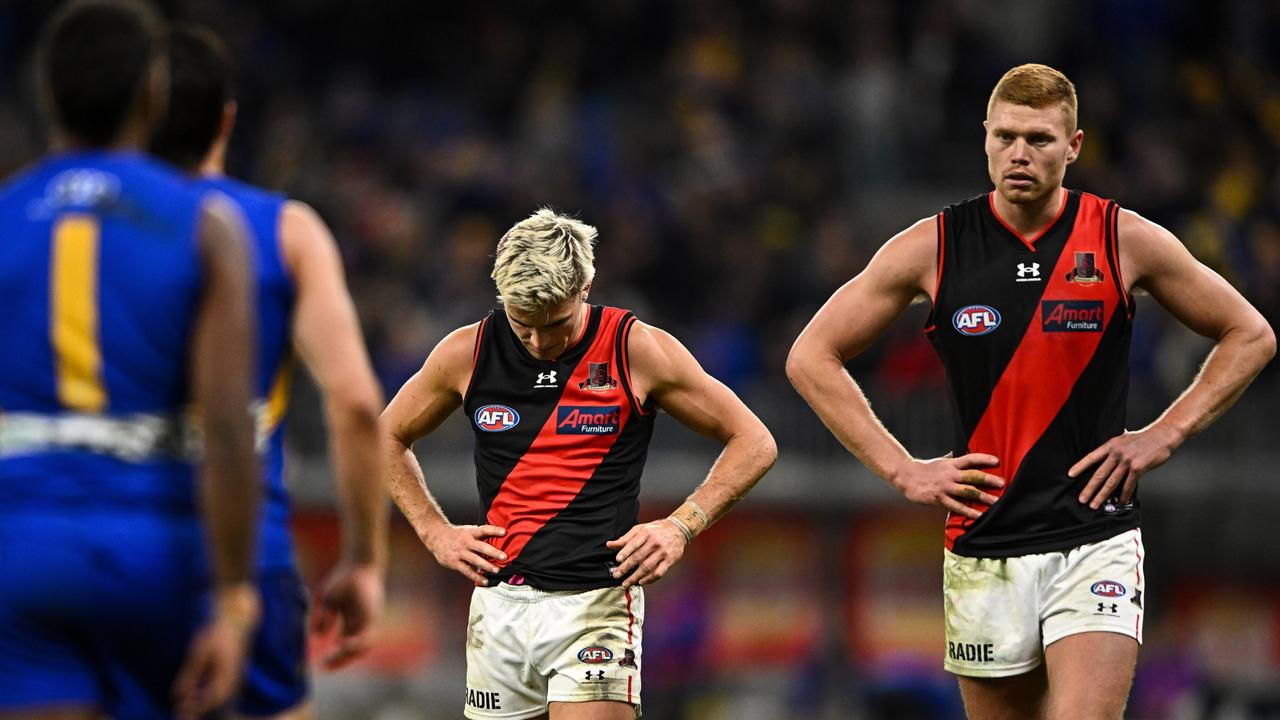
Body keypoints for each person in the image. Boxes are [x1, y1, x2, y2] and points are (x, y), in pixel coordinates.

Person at [786, 63, 1276, 719]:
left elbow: (1250, 333)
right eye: (1007, 136)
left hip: (1094, 537)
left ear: (1073, 147)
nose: (1020, 153)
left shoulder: (1119, 237)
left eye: (1041, 139)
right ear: (984, 136)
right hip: (984, 546)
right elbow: (811, 356)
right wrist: (901, 469)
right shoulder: (934, 247)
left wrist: (1165, 432)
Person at [382, 208, 777, 720]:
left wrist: (682, 525)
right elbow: (384, 436)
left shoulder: (634, 348)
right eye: (524, 326)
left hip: (596, 606)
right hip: (499, 607)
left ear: (586, 287)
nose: (542, 343)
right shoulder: (467, 353)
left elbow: (755, 440)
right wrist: (435, 531)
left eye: (557, 325)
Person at [0, 1, 263, 718]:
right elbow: (228, 429)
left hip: (22, 543)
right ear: (153, 94)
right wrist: (234, 600)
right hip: (156, 549)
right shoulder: (207, 227)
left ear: (48, 94)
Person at [148, 25, 389, 720]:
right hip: (250, 554)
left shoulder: (79, 232)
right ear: (227, 117)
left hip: (109, 547)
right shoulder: (286, 231)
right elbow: (354, 404)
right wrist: (365, 560)